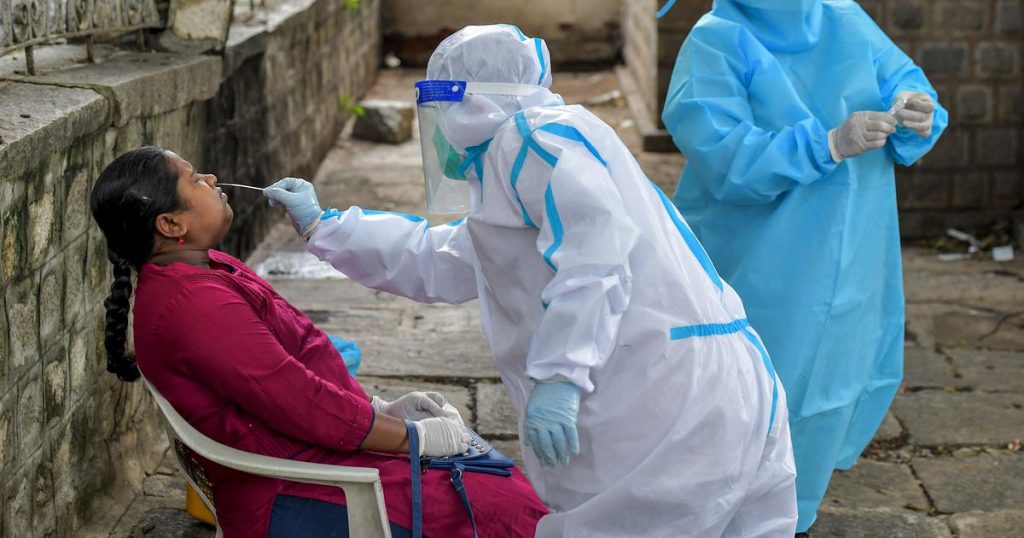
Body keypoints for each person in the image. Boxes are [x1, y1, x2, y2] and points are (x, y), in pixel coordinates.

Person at [266, 24, 797, 537]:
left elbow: (595, 253)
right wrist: (325, 226)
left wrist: (561, 375)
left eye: (443, 108)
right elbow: (443, 258)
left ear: (472, 104)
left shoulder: (532, 138)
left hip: (667, 395)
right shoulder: (524, 161)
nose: (440, 129)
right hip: (713, 387)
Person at [89, 146, 548, 538]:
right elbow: (298, 400)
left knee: (495, 480)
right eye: (194, 179)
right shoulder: (193, 305)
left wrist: (380, 410)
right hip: (296, 487)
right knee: (501, 508)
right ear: (171, 225)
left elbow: (296, 365)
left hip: (317, 446)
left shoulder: (209, 268)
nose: (210, 178)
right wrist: (411, 437)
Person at [660, 0, 948, 533]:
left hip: (855, 246)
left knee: (836, 371)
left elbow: (904, 81)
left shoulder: (843, 17)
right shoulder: (718, 39)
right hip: (759, 257)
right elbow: (724, 156)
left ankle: (794, 512)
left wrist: (917, 111)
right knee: (747, 385)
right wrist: (826, 144)